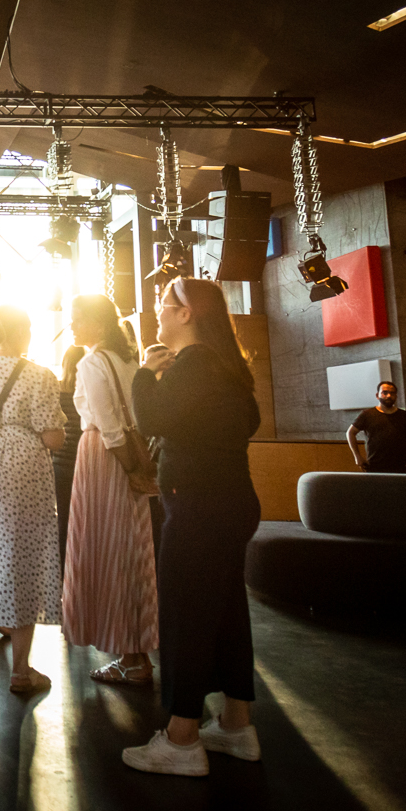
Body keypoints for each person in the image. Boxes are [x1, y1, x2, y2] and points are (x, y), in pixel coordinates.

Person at [123, 278, 264, 775]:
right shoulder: (225, 366)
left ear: (186, 314)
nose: (157, 311)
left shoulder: (194, 364)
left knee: (187, 617)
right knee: (226, 613)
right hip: (231, 501)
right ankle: (236, 725)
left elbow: (150, 419)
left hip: (198, 507)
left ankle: (181, 738)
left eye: (164, 304)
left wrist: (144, 372)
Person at [0, 306, 67, 693]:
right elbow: (53, 437)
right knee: (25, 562)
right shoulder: (39, 375)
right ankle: (20, 671)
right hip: (25, 476)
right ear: (21, 333)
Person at [63, 294, 158, 686]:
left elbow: (109, 427)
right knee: (132, 549)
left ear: (98, 324)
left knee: (107, 550)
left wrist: (128, 467)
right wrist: (137, 467)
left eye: (77, 318)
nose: (71, 325)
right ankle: (136, 652)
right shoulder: (128, 361)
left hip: (104, 457)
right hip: (128, 456)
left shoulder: (91, 362)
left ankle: (130, 658)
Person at [55, 344, 85, 568]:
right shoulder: (86, 389)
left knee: (63, 519)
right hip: (83, 460)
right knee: (84, 518)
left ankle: (62, 569)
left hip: (59, 463)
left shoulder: (56, 390)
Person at [347, 381, 406, 473]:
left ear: (396, 396)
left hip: (402, 467)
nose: (389, 396)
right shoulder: (367, 415)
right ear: (377, 395)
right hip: (375, 466)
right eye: (385, 392)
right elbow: (350, 433)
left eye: (392, 393)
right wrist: (357, 456)